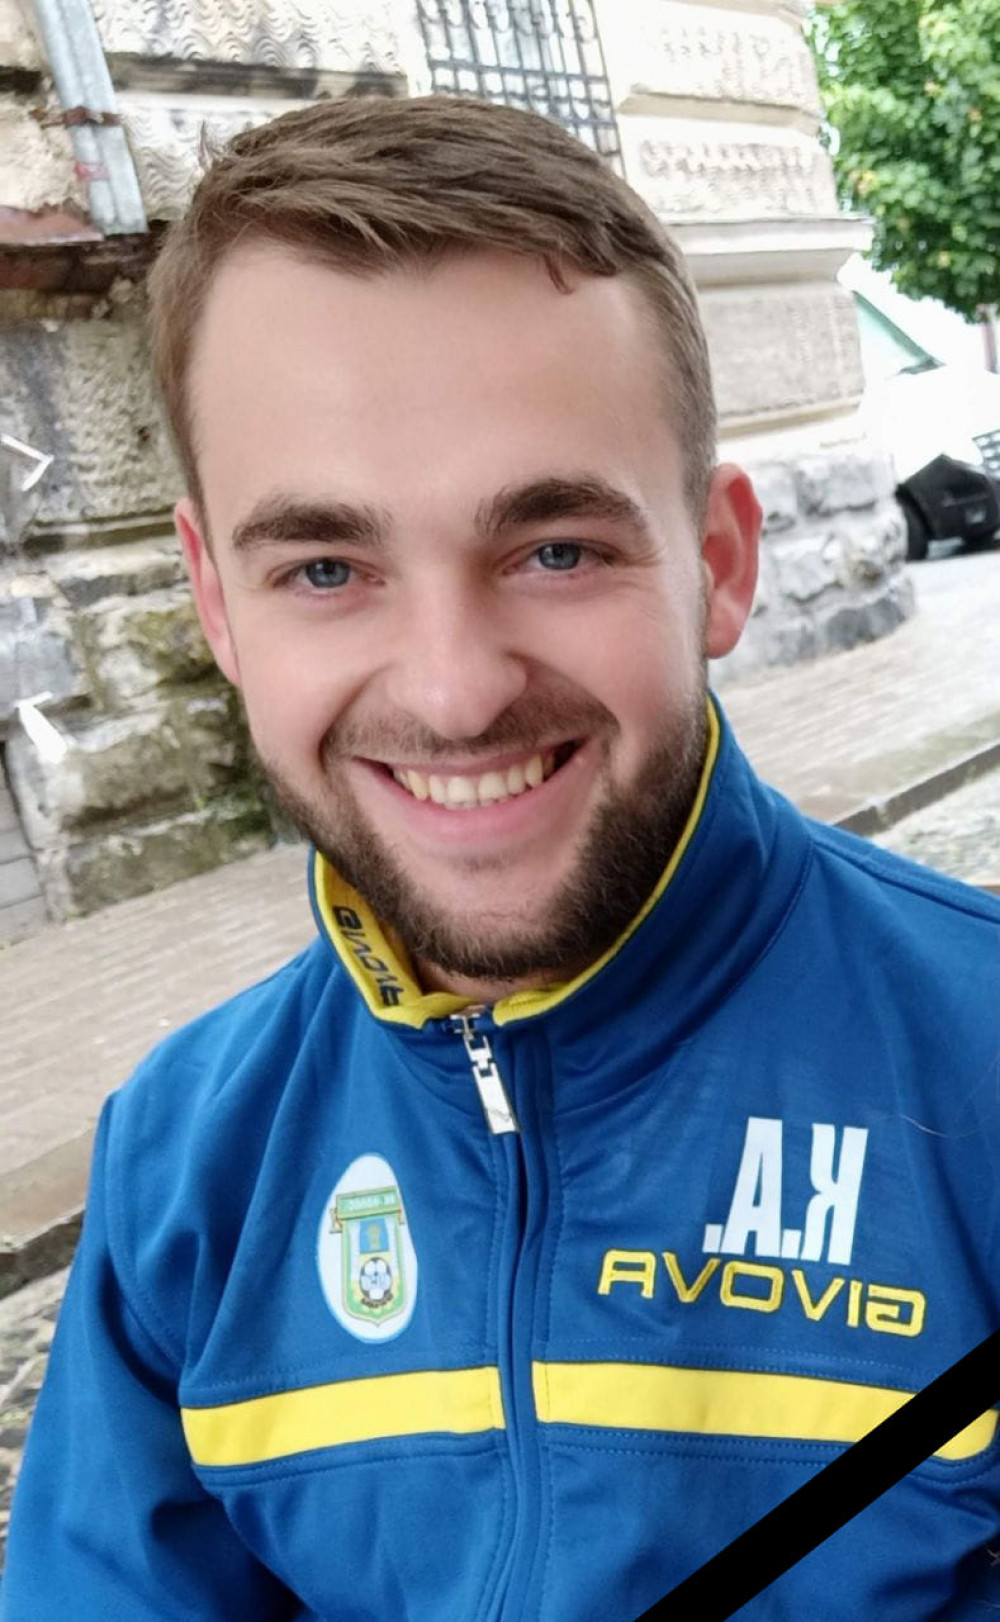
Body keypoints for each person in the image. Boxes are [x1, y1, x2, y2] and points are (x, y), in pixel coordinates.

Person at [4, 93, 1000, 1622]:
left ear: (719, 562)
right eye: (325, 568)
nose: (456, 690)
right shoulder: (185, 1162)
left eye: (556, 549)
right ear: (214, 603)